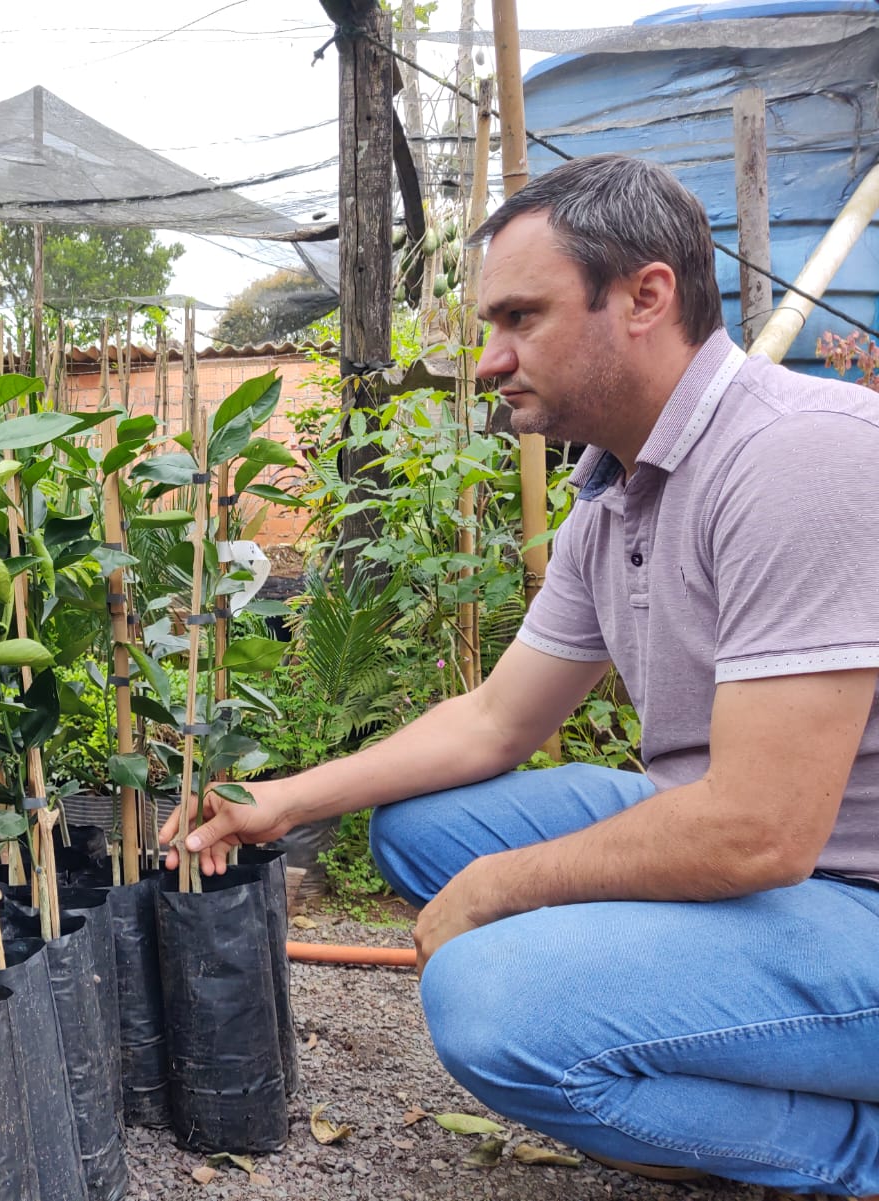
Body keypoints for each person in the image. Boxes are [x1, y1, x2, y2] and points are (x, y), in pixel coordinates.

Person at [158, 153, 879, 1197]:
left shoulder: (797, 458)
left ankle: (854, 1152)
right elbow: (496, 719)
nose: (489, 359)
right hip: (787, 864)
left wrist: (499, 890)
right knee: (424, 828)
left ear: (645, 297)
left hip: (847, 890)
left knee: (493, 1002)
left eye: (519, 318)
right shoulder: (618, 492)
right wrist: (281, 800)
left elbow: (756, 830)